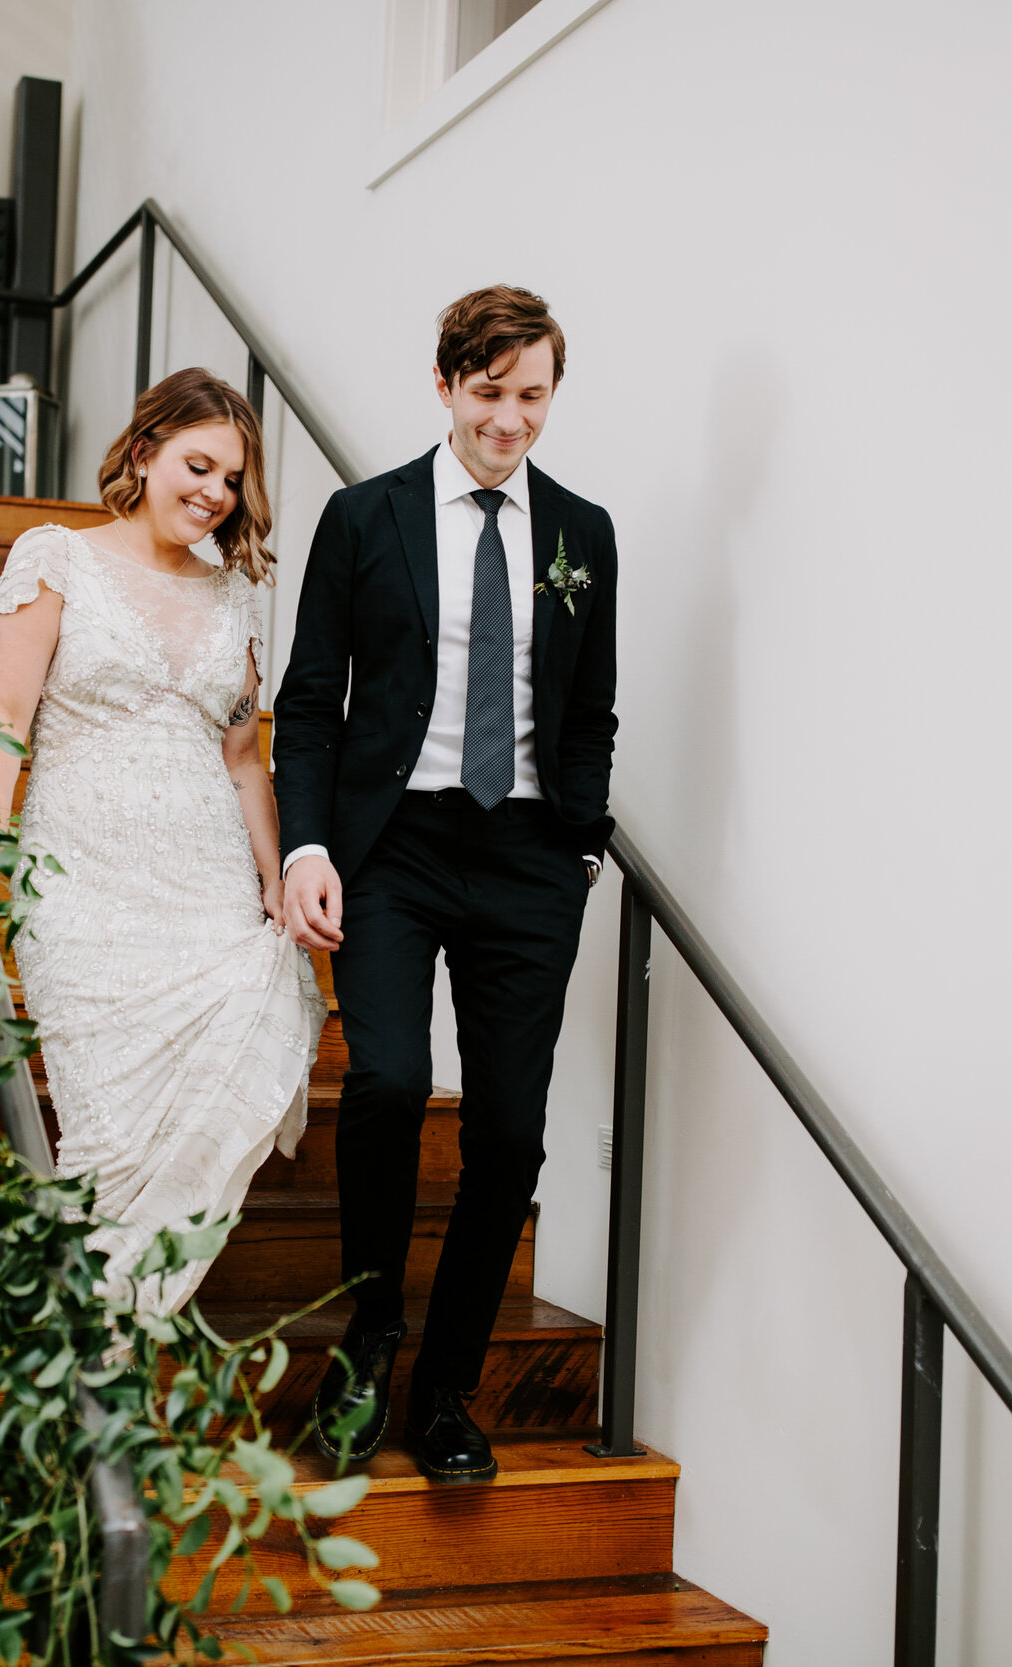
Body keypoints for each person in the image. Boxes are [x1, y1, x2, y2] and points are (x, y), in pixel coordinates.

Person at [272, 286, 618, 1484]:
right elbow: (313, 700)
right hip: (392, 845)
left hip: (528, 858)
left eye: (532, 396)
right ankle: (369, 1335)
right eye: (490, 393)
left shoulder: (584, 533)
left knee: (510, 1137)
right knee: (386, 1080)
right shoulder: (363, 517)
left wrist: (578, 847)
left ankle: (448, 1389)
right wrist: (305, 846)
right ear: (444, 385)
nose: (511, 421)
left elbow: (591, 710)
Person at [0, 367, 324, 1317]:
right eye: (196, 464)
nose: (213, 492)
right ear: (142, 452)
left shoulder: (233, 599)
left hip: (206, 892)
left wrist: (273, 877)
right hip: (83, 886)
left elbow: (246, 759)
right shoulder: (55, 559)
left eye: (230, 479)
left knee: (216, 1093)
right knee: (110, 1140)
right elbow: (2, 715)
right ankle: (87, 1353)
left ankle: (112, 1356)